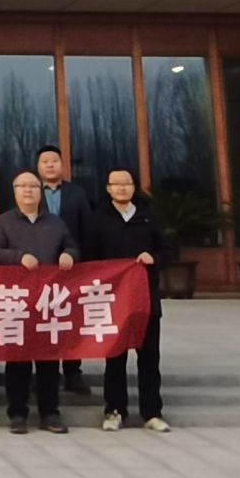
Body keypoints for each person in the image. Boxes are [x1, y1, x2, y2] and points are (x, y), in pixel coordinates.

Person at [0, 170, 76, 434]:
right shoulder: (2, 222)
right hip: (17, 301)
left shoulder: (56, 223)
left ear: (40, 192)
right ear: (14, 192)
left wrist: (70, 254)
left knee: (49, 361)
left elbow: (72, 246)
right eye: (22, 186)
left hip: (48, 301)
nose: (28, 191)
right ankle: (17, 413)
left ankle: (50, 413)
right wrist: (18, 257)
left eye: (33, 186)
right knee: (17, 361)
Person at [86, 167, 171, 433]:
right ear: (108, 188)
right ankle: (114, 410)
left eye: (127, 183)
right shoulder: (98, 219)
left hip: (145, 299)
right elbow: (90, 258)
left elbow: (169, 250)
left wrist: (153, 258)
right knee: (115, 358)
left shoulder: (148, 217)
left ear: (134, 187)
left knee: (149, 358)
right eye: (116, 184)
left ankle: (152, 412)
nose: (122, 188)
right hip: (113, 301)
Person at [36, 145, 94, 397]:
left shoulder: (77, 194)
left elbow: (87, 230)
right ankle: (42, 375)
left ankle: (73, 372)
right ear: (38, 167)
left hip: (71, 266)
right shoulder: (30, 191)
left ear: (62, 165)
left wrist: (82, 260)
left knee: (70, 321)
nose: (50, 165)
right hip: (39, 268)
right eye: (45, 161)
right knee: (40, 322)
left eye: (54, 160)